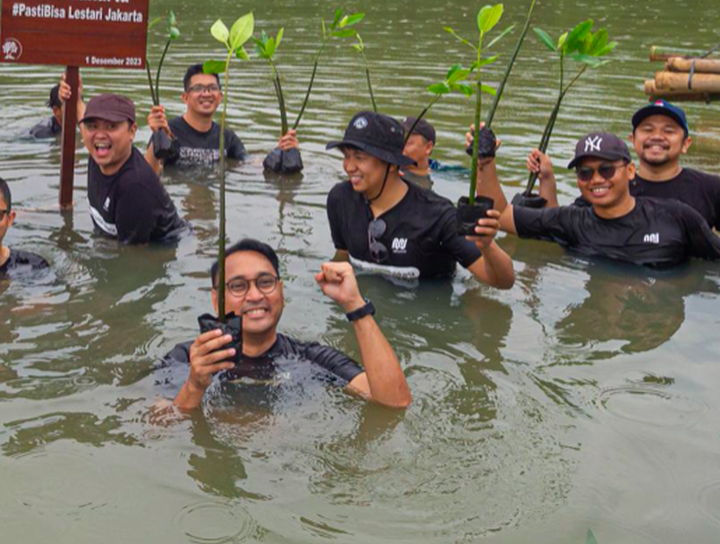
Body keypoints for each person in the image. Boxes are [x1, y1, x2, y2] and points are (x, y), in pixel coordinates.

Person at [163, 239, 411, 410]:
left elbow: (394, 403)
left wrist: (355, 305)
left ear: (281, 291)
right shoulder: (187, 358)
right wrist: (194, 386)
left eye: (265, 282)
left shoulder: (311, 359)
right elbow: (156, 430)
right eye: (238, 286)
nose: (255, 296)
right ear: (216, 299)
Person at [325, 111, 515, 288]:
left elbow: (503, 282)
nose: (349, 167)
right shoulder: (340, 200)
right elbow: (343, 256)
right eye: (347, 156)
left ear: (391, 163)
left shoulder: (438, 215)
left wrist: (487, 246)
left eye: (359, 157)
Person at [478, 131, 720, 267]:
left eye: (606, 169)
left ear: (630, 171)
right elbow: (501, 214)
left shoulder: (676, 216)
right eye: (585, 172)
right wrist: (486, 162)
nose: (596, 179)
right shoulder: (571, 221)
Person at [536, 101, 720, 230]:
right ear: (632, 140)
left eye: (668, 130)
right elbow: (562, 228)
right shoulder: (609, 184)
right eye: (647, 129)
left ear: (686, 143)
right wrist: (547, 179)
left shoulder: (711, 188)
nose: (656, 136)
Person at [77, 92, 188, 244]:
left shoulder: (133, 188)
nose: (100, 135)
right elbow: (82, 120)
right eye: (92, 126)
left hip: (167, 247)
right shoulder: (98, 153)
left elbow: (132, 260)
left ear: (132, 131)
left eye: (111, 126)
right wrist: (76, 98)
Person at [144, 64, 251, 173]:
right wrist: (158, 135)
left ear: (220, 97)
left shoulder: (226, 137)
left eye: (212, 88)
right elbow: (147, 174)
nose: (206, 93)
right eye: (198, 88)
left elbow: (249, 164)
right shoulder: (168, 131)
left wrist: (267, 162)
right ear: (185, 97)